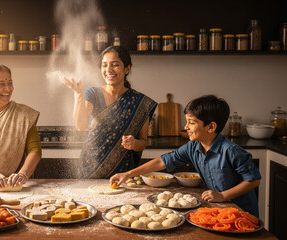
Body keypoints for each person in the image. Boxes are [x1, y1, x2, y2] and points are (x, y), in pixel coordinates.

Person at [110, 95, 261, 217]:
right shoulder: (193, 147)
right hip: (219, 210)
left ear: (211, 127)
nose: (185, 127)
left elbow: (254, 180)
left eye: (191, 122)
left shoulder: (231, 150)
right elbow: (162, 162)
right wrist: (128, 174)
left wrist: (222, 196)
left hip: (243, 213)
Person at [63, 46, 157, 178]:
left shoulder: (140, 102)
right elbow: (81, 125)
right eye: (104, 65)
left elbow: (142, 142)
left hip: (123, 173)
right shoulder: (92, 93)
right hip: (91, 169)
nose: (108, 70)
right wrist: (79, 94)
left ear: (127, 69)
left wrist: (134, 143)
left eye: (115, 65)